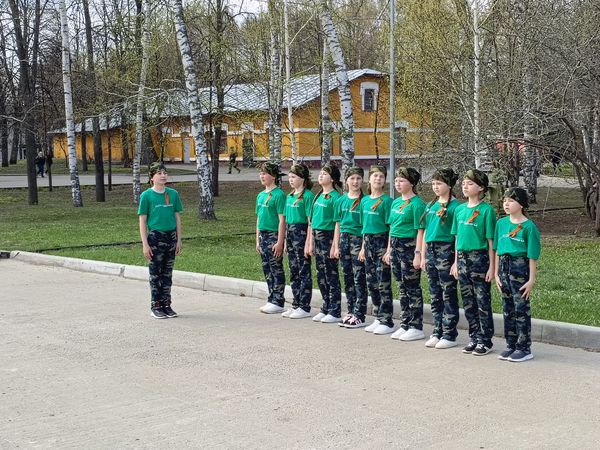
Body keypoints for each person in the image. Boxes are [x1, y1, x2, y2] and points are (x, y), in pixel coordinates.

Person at [450, 169, 497, 355]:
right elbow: (456, 238)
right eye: (463, 184)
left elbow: (491, 241)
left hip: (480, 259)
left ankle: (485, 340)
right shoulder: (459, 210)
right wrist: (455, 262)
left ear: (481, 188)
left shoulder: (486, 211)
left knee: (482, 301)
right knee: (468, 301)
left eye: (470, 184)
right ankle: (474, 337)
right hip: (462, 259)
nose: (465, 187)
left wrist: (492, 267)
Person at [494, 187, 541, 362]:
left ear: (521, 204)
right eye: (505, 200)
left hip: (520, 268)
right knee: (508, 309)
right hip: (504, 268)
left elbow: (532, 255)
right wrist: (497, 274)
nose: (506, 204)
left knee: (520, 309)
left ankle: (524, 347)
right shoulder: (501, 224)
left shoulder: (529, 227)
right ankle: (511, 344)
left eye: (511, 201)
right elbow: (497, 249)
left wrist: (531, 279)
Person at [420, 169, 461, 349]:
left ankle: (449, 333)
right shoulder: (431, 205)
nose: (436, 187)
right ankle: (437, 330)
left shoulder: (456, 207)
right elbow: (426, 231)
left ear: (449, 185)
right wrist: (422, 255)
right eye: (433, 184)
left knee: (448, 293)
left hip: (447, 250)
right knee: (435, 293)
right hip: (431, 250)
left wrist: (456, 260)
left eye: (439, 183)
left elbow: (458, 235)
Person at [384, 167, 426, 341]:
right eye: (396, 181)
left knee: (412, 286)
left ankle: (416, 326)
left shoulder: (417, 204)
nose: (398, 184)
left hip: (409, 247)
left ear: (412, 183)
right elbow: (392, 228)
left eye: (402, 180)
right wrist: (389, 249)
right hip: (395, 246)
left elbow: (420, 231)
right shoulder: (395, 203)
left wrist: (418, 253)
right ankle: (405, 323)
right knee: (401, 286)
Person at [138, 162, 183, 319]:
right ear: (152, 177)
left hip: (171, 237)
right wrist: (145, 244)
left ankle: (166, 305)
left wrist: (178, 239)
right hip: (155, 238)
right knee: (155, 274)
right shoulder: (146, 196)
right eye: (159, 173)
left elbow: (177, 217)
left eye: (165, 172)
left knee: (167, 274)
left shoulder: (173, 194)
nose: (163, 176)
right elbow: (143, 220)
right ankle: (155, 306)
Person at [359, 165, 394, 335]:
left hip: (382, 242)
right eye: (375, 176)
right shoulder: (365, 201)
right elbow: (364, 227)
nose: (378, 179)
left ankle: (387, 319)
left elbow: (391, 227)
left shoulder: (387, 201)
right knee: (371, 282)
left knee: (383, 282)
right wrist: (362, 248)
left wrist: (388, 249)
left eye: (381, 176)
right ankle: (378, 316)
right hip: (368, 242)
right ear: (369, 179)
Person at [331, 166, 368, 328]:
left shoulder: (365, 201)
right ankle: (351, 310)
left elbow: (366, 226)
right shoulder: (340, 201)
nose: (355, 182)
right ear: (346, 181)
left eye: (358, 178)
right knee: (347, 277)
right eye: (352, 178)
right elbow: (338, 224)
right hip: (344, 240)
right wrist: (336, 246)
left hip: (358, 240)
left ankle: (360, 314)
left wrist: (363, 248)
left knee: (359, 277)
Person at [307, 163, 343, 323]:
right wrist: (310, 242)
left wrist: (335, 245)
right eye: (320, 173)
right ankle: (326, 306)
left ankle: (335, 310)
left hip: (328, 236)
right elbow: (312, 221)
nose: (321, 176)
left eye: (325, 174)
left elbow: (337, 223)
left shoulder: (336, 198)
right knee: (321, 274)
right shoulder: (318, 195)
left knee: (331, 274)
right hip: (317, 236)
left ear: (333, 179)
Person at [282, 163, 315, 319]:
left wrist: (309, 241)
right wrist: (286, 241)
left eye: (294, 177)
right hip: (291, 235)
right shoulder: (289, 196)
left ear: (302, 178)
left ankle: (304, 306)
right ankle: (296, 303)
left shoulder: (307, 196)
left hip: (301, 235)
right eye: (289, 177)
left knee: (303, 271)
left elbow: (310, 221)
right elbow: (287, 220)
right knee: (294, 271)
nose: (291, 180)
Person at [256, 162, 287, 314]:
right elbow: (258, 218)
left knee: (276, 269)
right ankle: (271, 298)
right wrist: (257, 239)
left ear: (273, 176)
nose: (262, 176)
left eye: (265, 173)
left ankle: (278, 300)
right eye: (261, 173)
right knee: (267, 269)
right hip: (263, 235)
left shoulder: (279, 195)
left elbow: (282, 220)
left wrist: (280, 241)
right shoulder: (261, 195)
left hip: (273, 235)